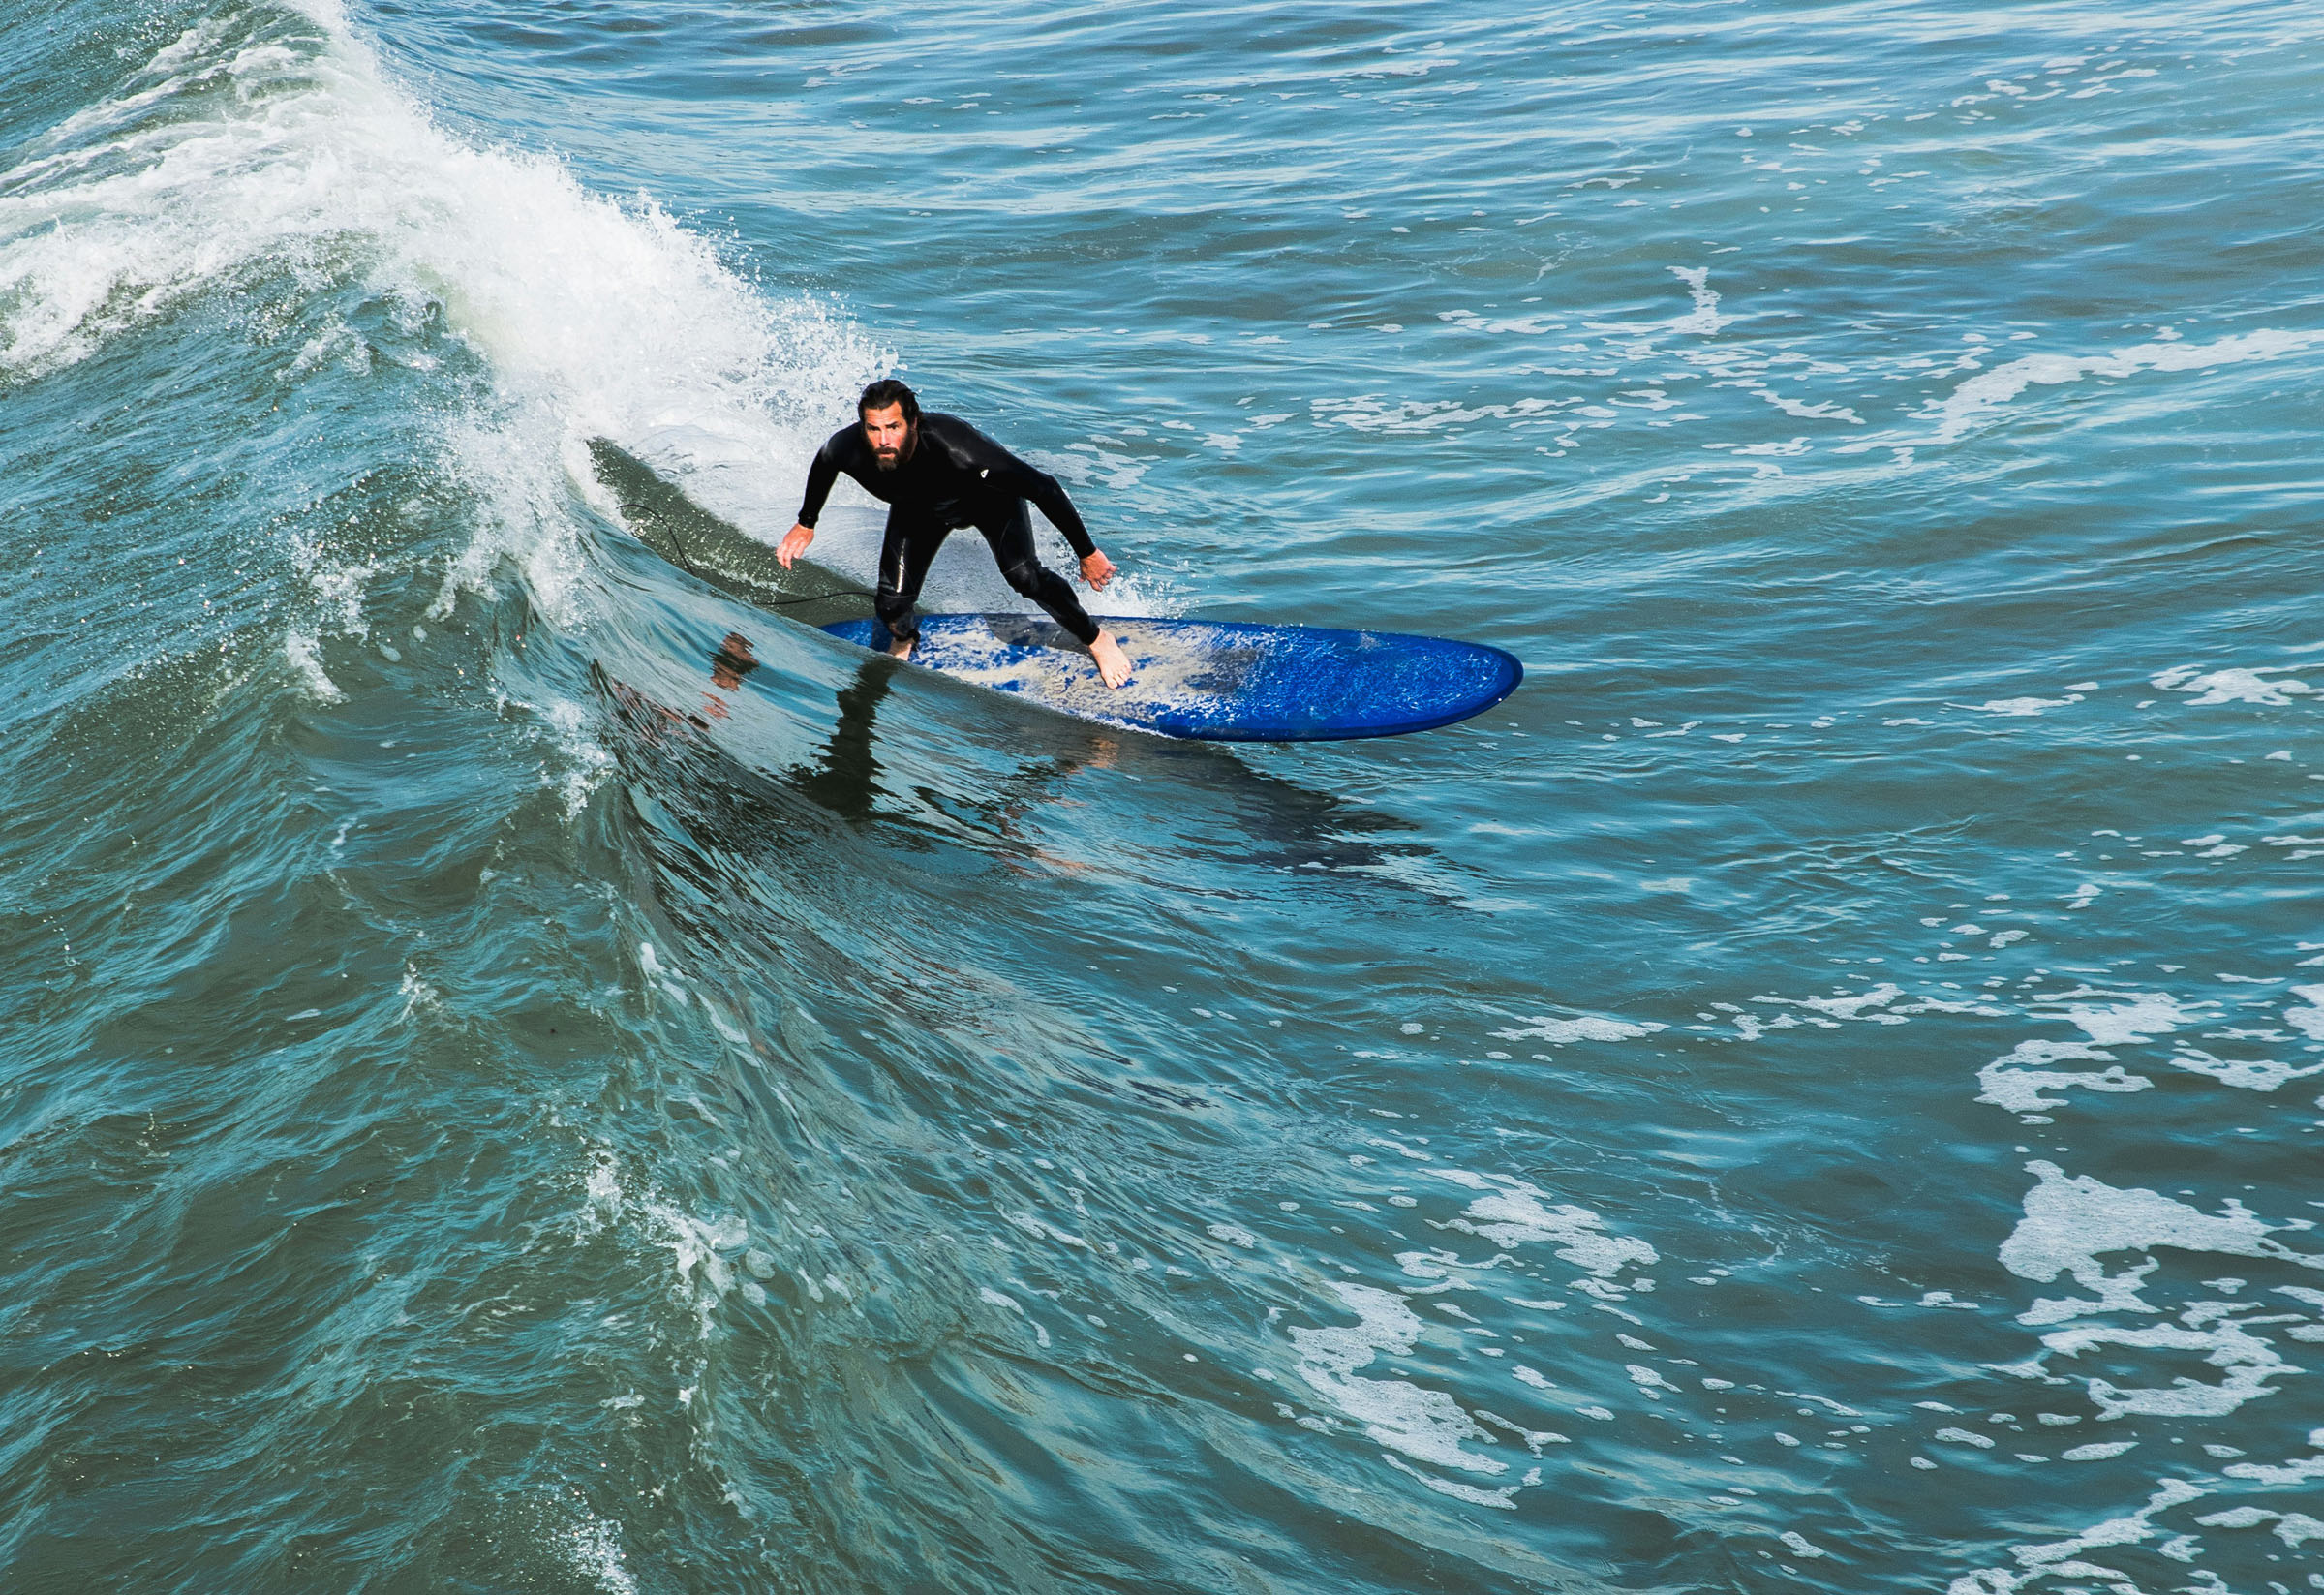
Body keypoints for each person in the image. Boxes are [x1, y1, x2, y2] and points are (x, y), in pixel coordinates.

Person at [778, 379, 1135, 688]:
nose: (884, 439)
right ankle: (905, 639)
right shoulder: (849, 448)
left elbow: (1044, 488)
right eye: (874, 429)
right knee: (891, 605)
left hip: (990, 503)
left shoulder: (962, 453)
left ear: (914, 423)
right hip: (918, 510)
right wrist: (807, 522)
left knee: (1025, 578)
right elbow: (824, 462)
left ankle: (1097, 638)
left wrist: (1086, 552)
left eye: (894, 427)